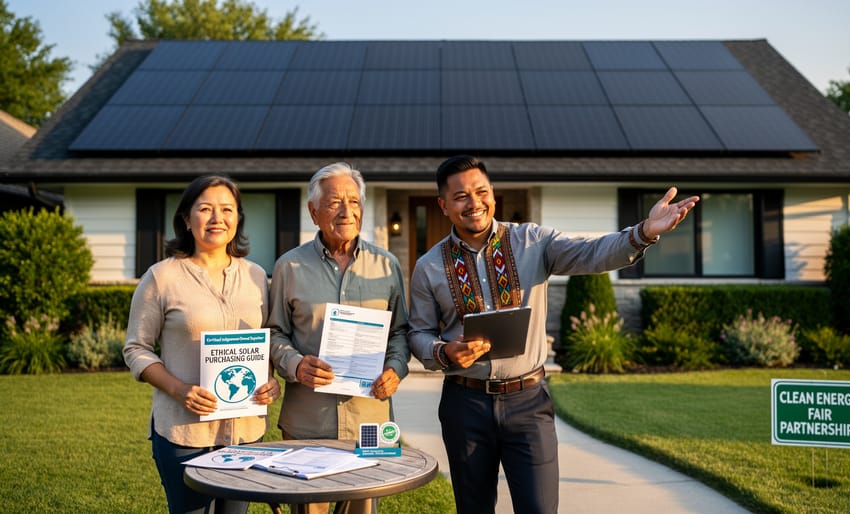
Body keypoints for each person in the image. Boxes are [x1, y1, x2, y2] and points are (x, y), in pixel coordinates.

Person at [408, 155, 699, 514]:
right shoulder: (429, 266)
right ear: (444, 205)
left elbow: (592, 253)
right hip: (464, 406)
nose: (474, 203)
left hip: (528, 404)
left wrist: (645, 232)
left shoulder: (532, 241)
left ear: (493, 195)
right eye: (461, 196)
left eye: (481, 191)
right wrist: (444, 351)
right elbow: (418, 333)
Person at [123, 175, 281, 514]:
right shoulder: (161, 277)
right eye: (205, 209)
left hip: (245, 434)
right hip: (184, 434)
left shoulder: (256, 276)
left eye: (227, 209)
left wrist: (270, 380)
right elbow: (136, 348)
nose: (217, 218)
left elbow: (265, 338)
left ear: (237, 219)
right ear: (186, 218)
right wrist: (180, 390)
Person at [267, 162, 410, 514]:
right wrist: (295, 364)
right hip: (307, 420)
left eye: (354, 202)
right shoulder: (289, 266)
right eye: (334, 203)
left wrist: (395, 368)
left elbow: (401, 332)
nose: (346, 211)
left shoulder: (387, 265)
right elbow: (273, 333)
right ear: (314, 212)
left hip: (370, 422)